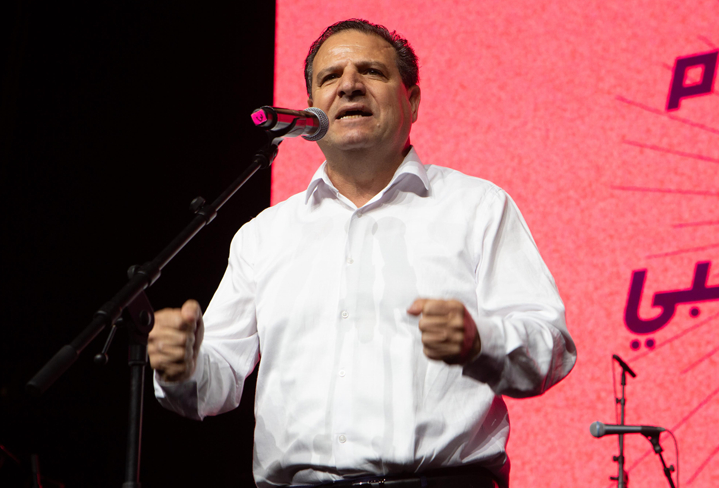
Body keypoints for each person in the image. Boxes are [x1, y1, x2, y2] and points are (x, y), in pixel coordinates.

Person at [148, 19, 576, 488]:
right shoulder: (265, 234)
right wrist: (184, 368)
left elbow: (551, 349)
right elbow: (218, 378)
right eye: (330, 78)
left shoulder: (477, 207)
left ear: (411, 101)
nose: (349, 85)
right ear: (310, 111)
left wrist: (482, 341)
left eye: (371, 71)